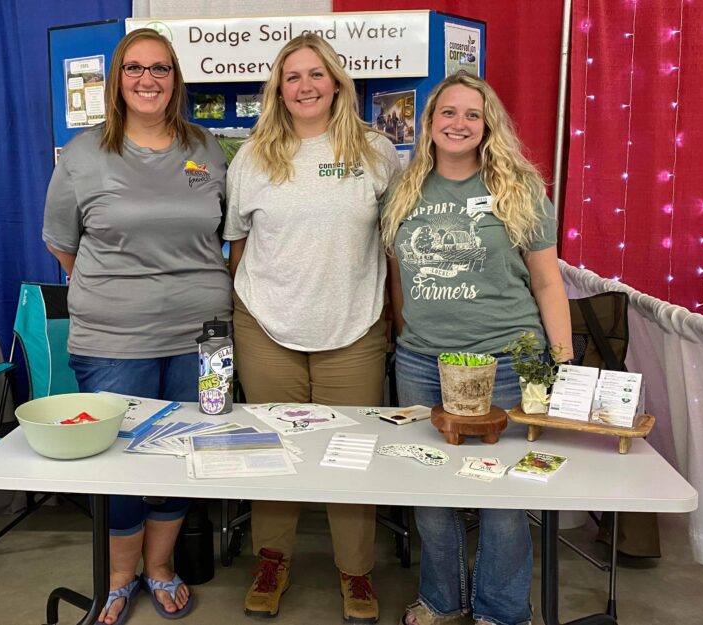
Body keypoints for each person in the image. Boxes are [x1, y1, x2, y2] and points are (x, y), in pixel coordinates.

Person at [42, 28, 230, 625]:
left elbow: (224, 232)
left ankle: (160, 567)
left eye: (161, 69)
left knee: (179, 451)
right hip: (114, 336)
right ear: (117, 81)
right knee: (119, 457)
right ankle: (121, 577)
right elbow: (63, 247)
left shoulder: (208, 148)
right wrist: (122, 291)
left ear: (176, 79)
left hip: (202, 333)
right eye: (134, 69)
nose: (148, 80)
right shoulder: (82, 154)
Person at [381, 72, 572, 625]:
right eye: (448, 113)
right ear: (430, 123)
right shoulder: (404, 188)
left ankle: (502, 611)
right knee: (432, 490)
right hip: (423, 362)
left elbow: (546, 281)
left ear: (488, 125)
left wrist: (558, 361)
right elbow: (399, 277)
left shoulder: (518, 187)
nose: (458, 123)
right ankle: (443, 602)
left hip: (507, 362)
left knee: (504, 500)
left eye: (471, 114)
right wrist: (403, 336)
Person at [223, 33, 398, 623]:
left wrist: (395, 318)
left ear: (337, 83)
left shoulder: (378, 153)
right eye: (292, 77)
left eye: (316, 74)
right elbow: (238, 245)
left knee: (350, 454)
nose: (305, 86)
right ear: (278, 88)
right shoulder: (252, 158)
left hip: (354, 326)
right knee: (274, 450)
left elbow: (393, 244)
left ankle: (357, 573)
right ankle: (271, 560)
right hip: (265, 325)